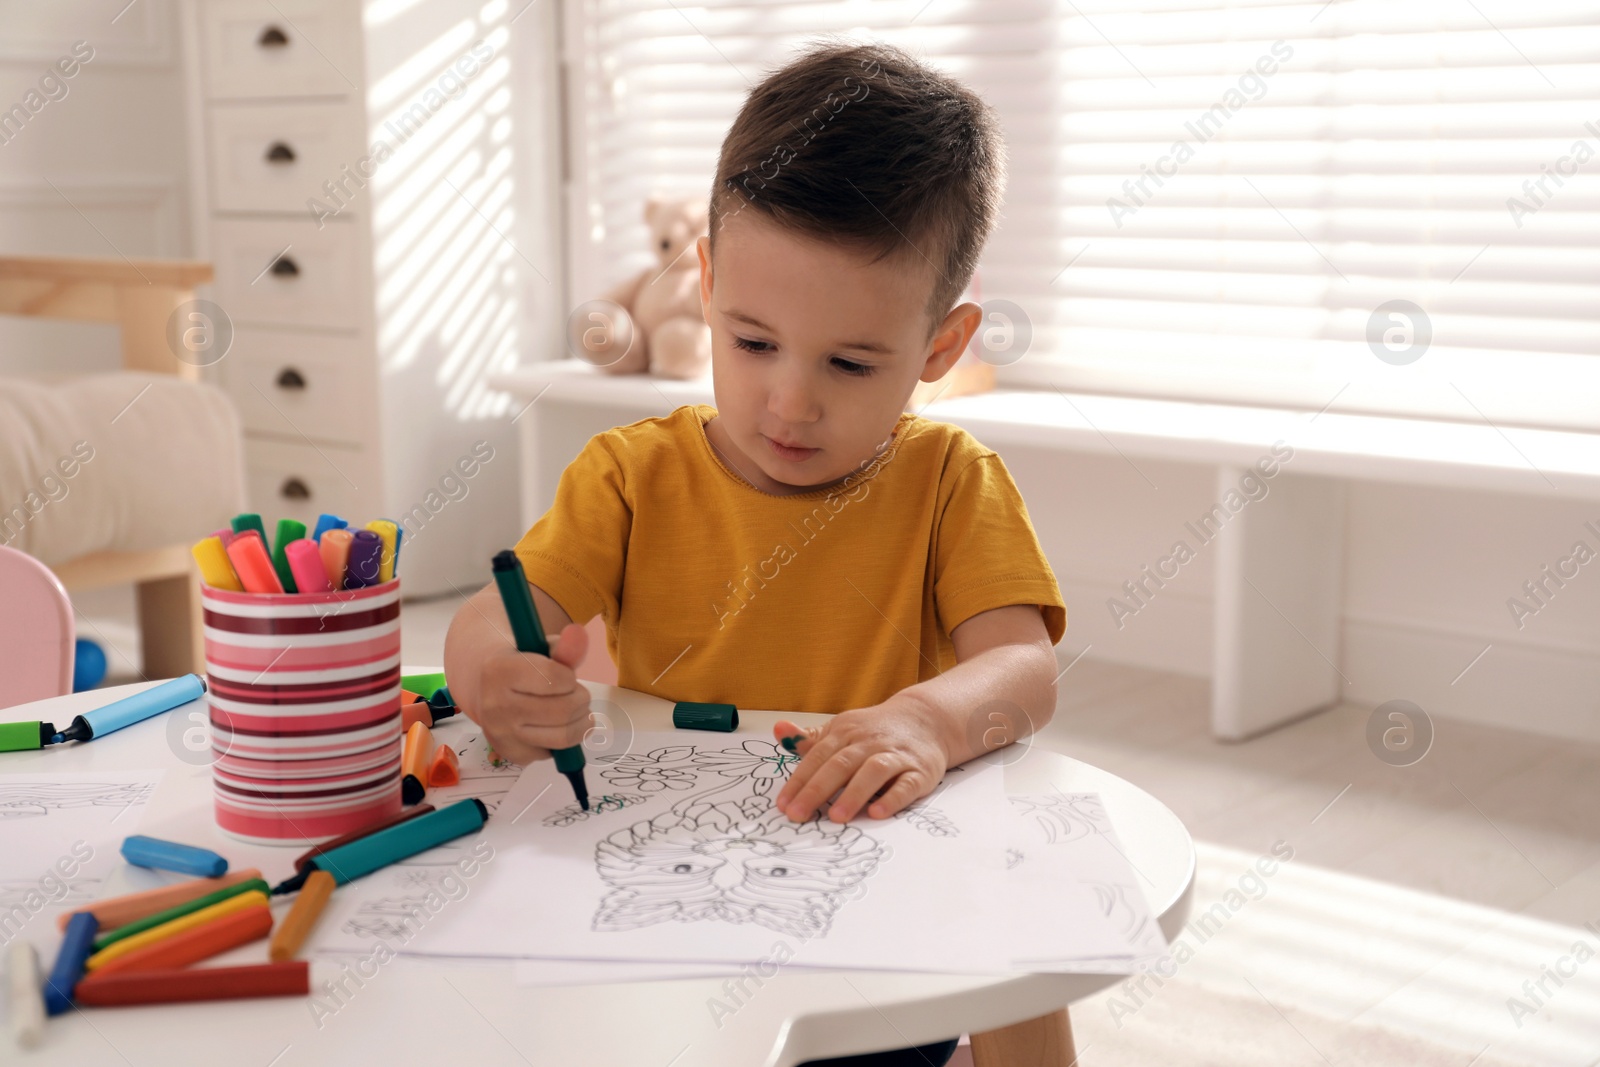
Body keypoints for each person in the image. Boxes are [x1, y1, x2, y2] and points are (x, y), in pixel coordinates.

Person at [443, 38, 1067, 1067]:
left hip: (873, 913)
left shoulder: (953, 480)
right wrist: (488, 670)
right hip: (661, 905)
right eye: (751, 341)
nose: (788, 400)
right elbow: (498, 614)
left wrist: (925, 719)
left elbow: (1023, 667)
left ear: (941, 348)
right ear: (706, 282)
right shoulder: (626, 474)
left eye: (851, 361)